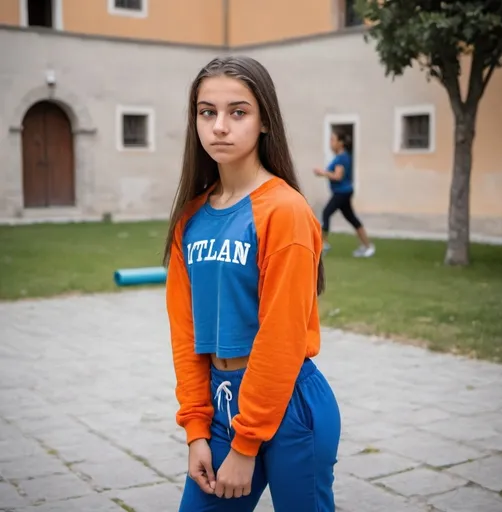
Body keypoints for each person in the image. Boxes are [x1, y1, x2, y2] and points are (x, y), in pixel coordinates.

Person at [163, 56, 341, 512]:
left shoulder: (285, 211)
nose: (220, 126)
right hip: (222, 406)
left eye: (238, 112)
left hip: (290, 409)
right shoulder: (190, 218)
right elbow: (185, 335)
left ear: (264, 122)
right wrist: (197, 431)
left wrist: (246, 447)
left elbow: (281, 336)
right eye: (207, 112)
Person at [313, 129, 375, 257]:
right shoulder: (341, 157)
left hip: (342, 192)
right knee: (351, 218)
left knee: (326, 212)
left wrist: (322, 173)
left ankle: (323, 244)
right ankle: (367, 246)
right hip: (344, 192)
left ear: (340, 143)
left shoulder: (342, 157)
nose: (330, 143)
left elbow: (338, 176)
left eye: (333, 140)